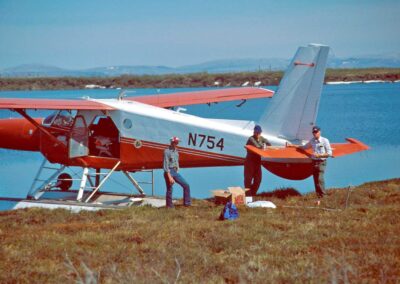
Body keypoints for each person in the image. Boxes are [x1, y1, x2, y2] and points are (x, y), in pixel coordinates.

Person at [302, 126, 332, 198]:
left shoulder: (325, 140)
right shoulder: (312, 140)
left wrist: (319, 155)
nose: (315, 134)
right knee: (315, 179)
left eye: (316, 132)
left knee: (320, 178)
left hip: (321, 162)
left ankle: (324, 195)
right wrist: (294, 146)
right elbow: (305, 147)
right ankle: (318, 195)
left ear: (319, 132)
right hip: (314, 162)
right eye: (314, 132)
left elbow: (329, 153)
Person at [163, 136, 191, 208]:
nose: (177, 143)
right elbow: (165, 165)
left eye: (177, 142)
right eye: (176, 142)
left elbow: (176, 160)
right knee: (169, 189)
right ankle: (169, 206)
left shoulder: (176, 151)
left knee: (186, 185)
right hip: (168, 172)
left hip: (175, 171)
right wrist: (169, 177)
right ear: (172, 142)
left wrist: (177, 168)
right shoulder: (166, 151)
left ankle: (187, 203)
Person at [244, 125, 271, 196]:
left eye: (259, 132)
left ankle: (252, 194)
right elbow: (257, 146)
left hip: (257, 162)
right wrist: (263, 145)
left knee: (258, 180)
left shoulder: (261, 138)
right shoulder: (251, 139)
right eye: (256, 132)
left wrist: (266, 144)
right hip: (250, 162)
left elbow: (268, 143)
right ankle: (248, 195)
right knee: (248, 180)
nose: (257, 134)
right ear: (254, 132)